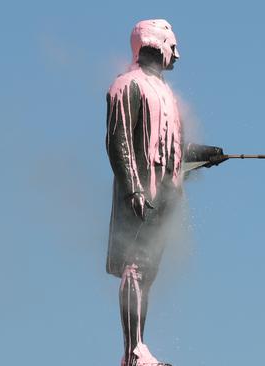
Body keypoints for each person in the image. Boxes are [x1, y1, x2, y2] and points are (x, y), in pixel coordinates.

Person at [105, 19, 184, 366]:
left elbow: (172, 146)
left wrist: (205, 155)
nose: (176, 55)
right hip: (140, 191)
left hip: (165, 194)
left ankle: (139, 347)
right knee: (135, 266)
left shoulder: (166, 93)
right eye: (172, 45)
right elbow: (117, 139)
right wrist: (133, 187)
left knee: (148, 270)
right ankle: (133, 350)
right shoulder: (127, 85)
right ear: (154, 43)